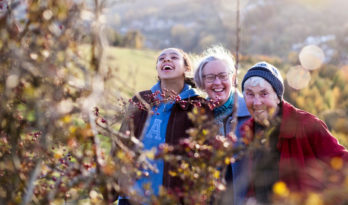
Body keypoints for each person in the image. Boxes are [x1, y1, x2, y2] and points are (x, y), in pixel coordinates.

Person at [240, 61, 348, 204]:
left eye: (264, 93)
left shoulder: (306, 124)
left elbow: (342, 163)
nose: (257, 102)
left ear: (277, 97)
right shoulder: (248, 130)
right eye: (250, 94)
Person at [118, 48, 212, 205]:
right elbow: (121, 143)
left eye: (174, 57)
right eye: (161, 59)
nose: (166, 60)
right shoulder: (141, 99)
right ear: (157, 69)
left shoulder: (198, 107)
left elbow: (204, 157)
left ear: (187, 69)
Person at [194, 45, 250, 205]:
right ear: (202, 82)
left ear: (233, 79)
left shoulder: (251, 111)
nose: (217, 82)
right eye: (210, 77)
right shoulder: (197, 118)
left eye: (223, 76)